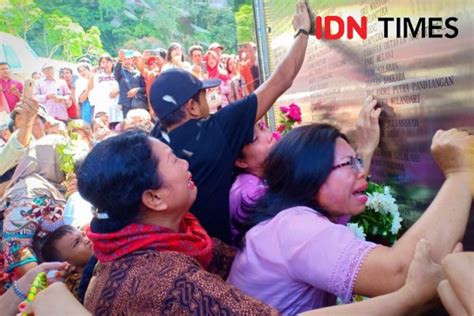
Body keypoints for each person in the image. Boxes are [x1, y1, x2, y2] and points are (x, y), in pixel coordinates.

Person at [227, 124, 473, 314]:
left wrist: (365, 149)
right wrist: (460, 174)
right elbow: (399, 273)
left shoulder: (283, 220)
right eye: (349, 163)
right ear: (309, 175)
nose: (362, 171)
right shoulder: (296, 227)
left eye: (358, 161)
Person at [149, 0, 312, 243]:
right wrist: (303, 31)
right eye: (204, 95)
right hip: (216, 255)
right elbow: (282, 79)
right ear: (192, 107)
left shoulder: (155, 141)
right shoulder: (215, 130)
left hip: (178, 251)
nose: (210, 99)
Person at [77, 131, 276, 314]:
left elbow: (230, 258)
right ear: (154, 198)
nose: (185, 164)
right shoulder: (174, 284)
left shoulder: (170, 237)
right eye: (173, 160)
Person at [0, 134, 68, 294]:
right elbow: (16, 247)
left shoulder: (48, 187)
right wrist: (43, 287)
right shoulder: (29, 192)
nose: (67, 166)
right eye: (63, 158)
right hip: (30, 288)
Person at [87, 54, 121, 124]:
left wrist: (118, 91)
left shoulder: (118, 74)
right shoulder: (97, 75)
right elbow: (90, 88)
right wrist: (92, 74)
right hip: (101, 107)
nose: (106, 64)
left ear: (112, 63)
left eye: (108, 62)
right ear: (99, 64)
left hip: (116, 106)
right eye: (103, 62)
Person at [114, 49, 147, 117]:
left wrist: (136, 90)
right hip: (126, 105)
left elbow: (145, 88)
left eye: (128, 59)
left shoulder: (138, 72)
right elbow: (116, 72)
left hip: (139, 103)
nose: (127, 61)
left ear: (132, 60)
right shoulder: (120, 72)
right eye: (124, 59)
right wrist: (120, 59)